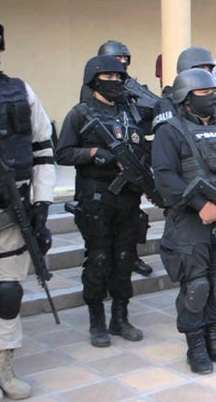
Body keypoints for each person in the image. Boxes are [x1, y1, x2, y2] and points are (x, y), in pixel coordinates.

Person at [0, 10, 55, 401]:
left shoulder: (21, 90)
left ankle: (5, 364)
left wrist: (41, 203)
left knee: (8, 293)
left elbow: (42, 146)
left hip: (17, 205)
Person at [152, 69, 216, 373]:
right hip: (190, 221)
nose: (213, 98)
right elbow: (165, 178)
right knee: (196, 287)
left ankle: (215, 342)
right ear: (186, 98)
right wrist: (199, 204)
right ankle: (195, 348)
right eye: (204, 93)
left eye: (214, 92)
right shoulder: (170, 131)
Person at [56, 55, 146, 348]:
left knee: (124, 259)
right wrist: (94, 153)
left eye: (119, 77)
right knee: (99, 259)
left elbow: (143, 150)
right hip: (97, 198)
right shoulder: (80, 114)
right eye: (109, 77)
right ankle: (97, 321)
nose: (115, 82)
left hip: (128, 199)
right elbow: (63, 153)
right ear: (94, 80)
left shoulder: (130, 113)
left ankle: (120, 318)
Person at [79, 40, 158, 278]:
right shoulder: (91, 94)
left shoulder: (128, 85)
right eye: (116, 61)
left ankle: (130, 257)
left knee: (131, 223)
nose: (121, 65)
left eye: (124, 61)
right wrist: (97, 154)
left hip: (131, 158)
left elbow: (151, 106)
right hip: (101, 176)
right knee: (99, 245)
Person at [153, 47, 216, 134]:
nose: (207, 72)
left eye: (210, 69)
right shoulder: (169, 103)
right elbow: (167, 135)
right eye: (201, 68)